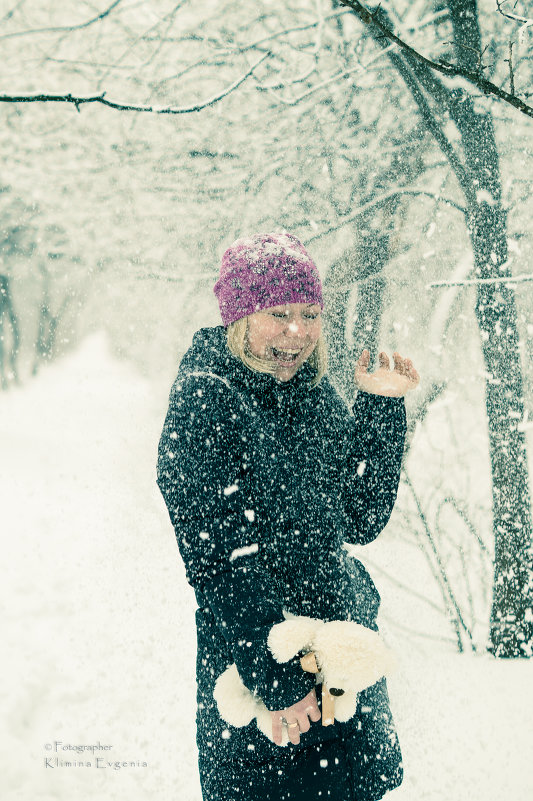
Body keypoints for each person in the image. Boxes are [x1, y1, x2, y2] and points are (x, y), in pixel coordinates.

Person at [156, 232, 419, 801]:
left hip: (341, 649)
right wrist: (276, 682)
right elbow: (221, 565)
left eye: (308, 314)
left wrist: (381, 410)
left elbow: (358, 517)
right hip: (259, 665)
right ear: (241, 318)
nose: (297, 330)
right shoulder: (208, 399)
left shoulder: (312, 396)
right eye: (278, 313)